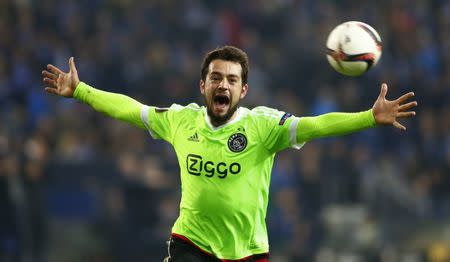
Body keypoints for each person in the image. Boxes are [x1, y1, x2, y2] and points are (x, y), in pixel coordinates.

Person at [42, 46, 417, 261]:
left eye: (232, 80)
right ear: (203, 85)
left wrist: (369, 117)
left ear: (244, 90)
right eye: (217, 78)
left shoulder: (263, 126)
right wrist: (81, 91)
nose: (224, 85)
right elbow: (130, 109)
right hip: (190, 243)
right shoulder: (180, 120)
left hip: (247, 253)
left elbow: (316, 125)